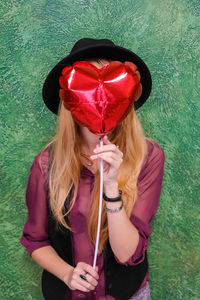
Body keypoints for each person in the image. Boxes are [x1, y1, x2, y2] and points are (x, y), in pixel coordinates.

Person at [20, 38, 165, 300]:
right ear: (71, 103)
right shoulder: (46, 164)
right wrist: (66, 273)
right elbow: (35, 240)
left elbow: (127, 255)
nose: (100, 104)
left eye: (110, 94)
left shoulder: (148, 156)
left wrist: (111, 187)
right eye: (89, 94)